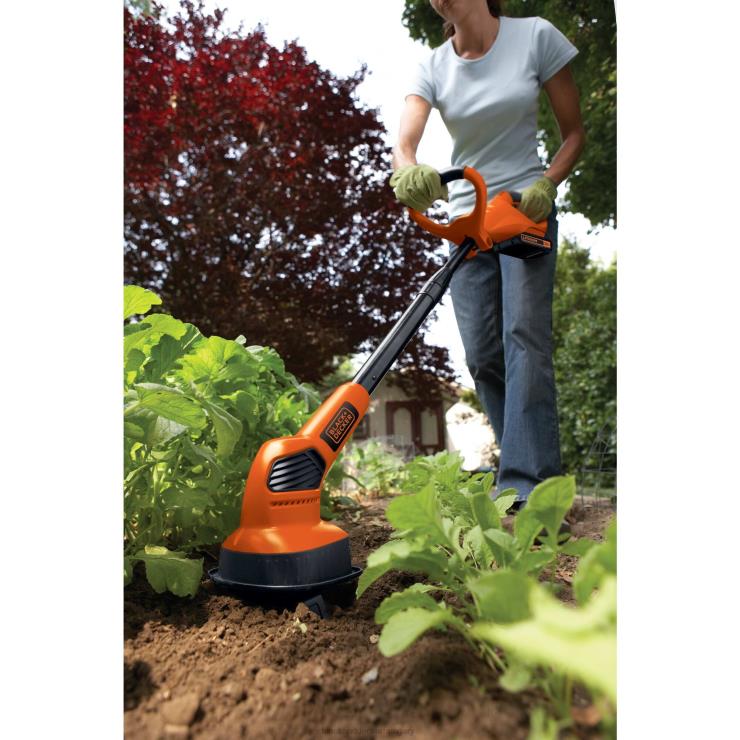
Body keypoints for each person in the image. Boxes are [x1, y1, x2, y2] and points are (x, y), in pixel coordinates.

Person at [390, 0, 585, 507]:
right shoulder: (433, 66)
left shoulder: (535, 36)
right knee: (482, 355)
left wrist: (548, 183)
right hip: (467, 223)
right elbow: (405, 143)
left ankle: (530, 487)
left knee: (524, 337)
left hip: (523, 211)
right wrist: (407, 170)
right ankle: (520, 471)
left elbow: (574, 133)